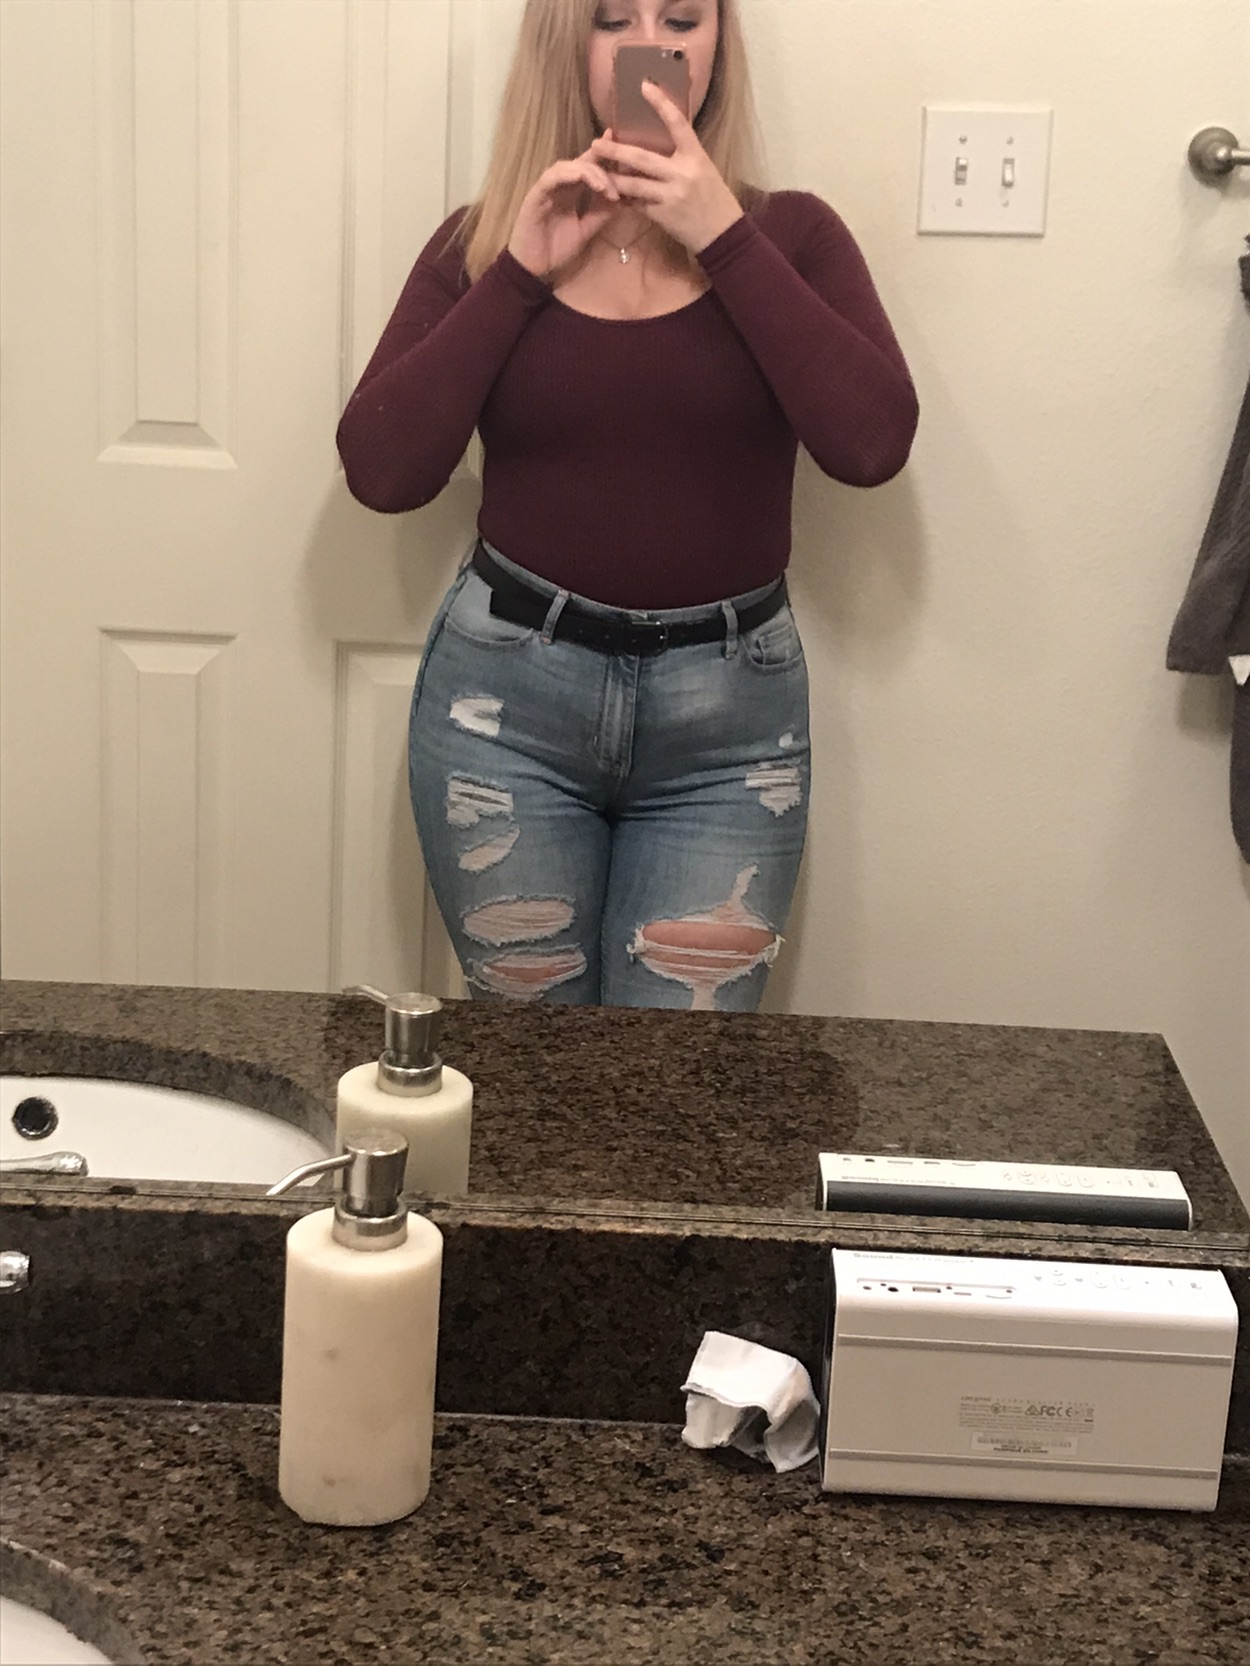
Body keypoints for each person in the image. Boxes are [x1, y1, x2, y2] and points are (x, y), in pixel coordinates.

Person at [337, 0, 917, 1011]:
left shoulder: (791, 235)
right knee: (533, 1067)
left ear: (719, 42)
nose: (655, 44)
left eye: (683, 16)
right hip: (504, 712)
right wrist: (518, 272)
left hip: (729, 732)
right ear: (568, 43)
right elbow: (382, 472)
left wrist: (722, 236)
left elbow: (870, 445)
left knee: (681, 1079)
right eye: (615, 18)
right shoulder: (487, 243)